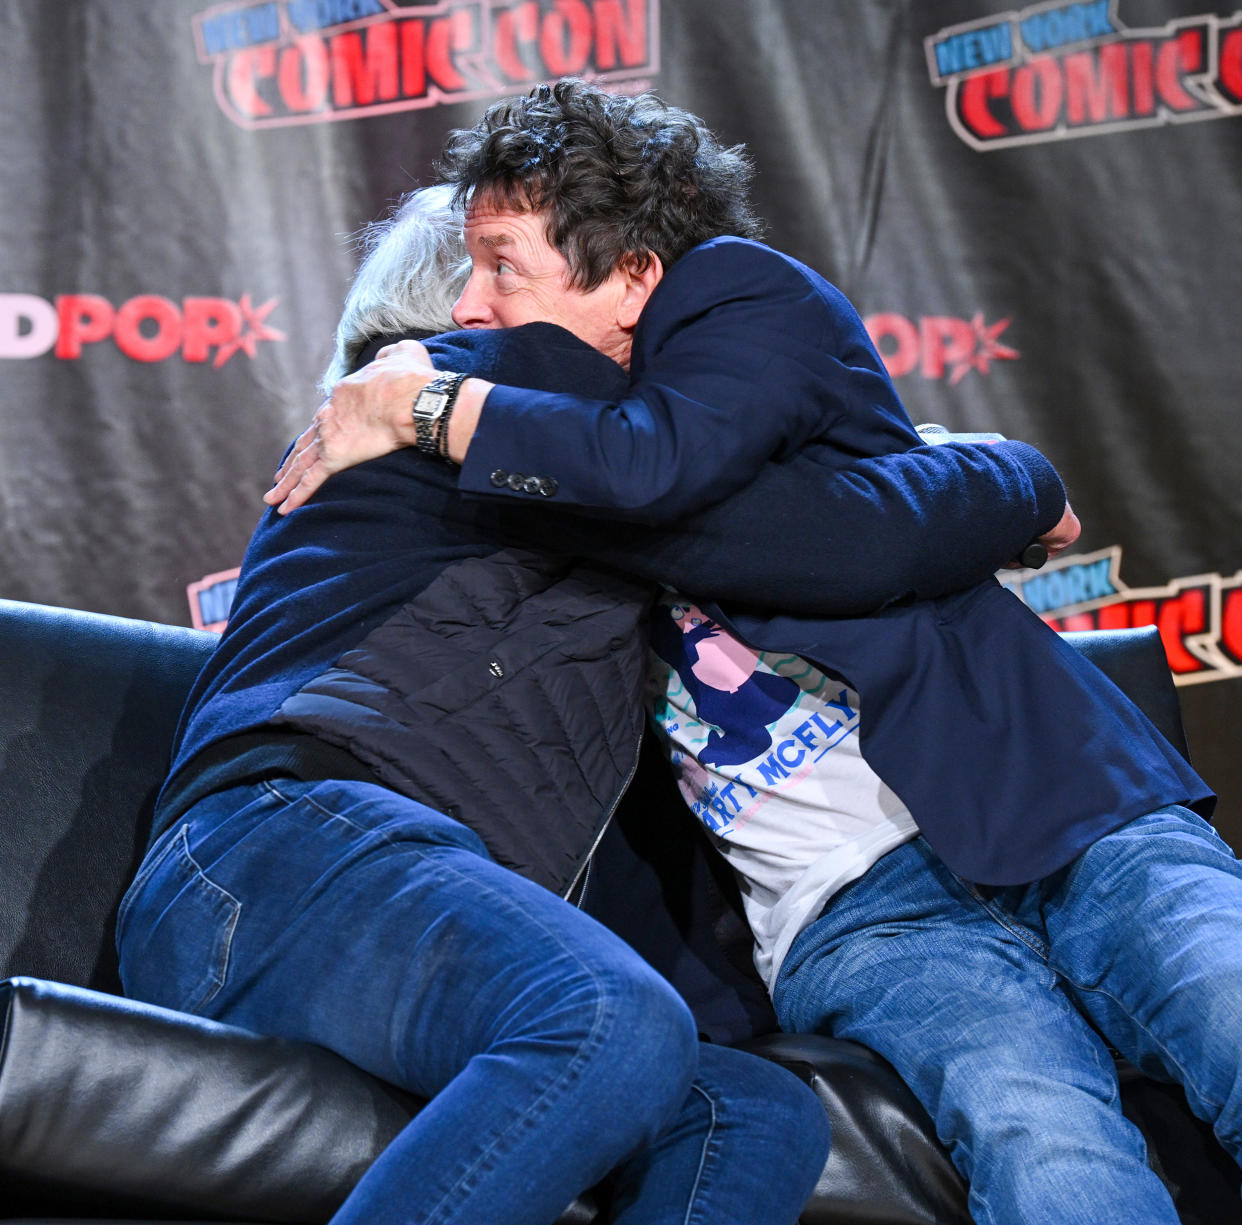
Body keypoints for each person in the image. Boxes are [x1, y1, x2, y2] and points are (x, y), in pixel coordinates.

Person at [269, 79, 1241, 1225]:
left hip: (1055, 796)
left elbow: (790, 525)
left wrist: (430, 405)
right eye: (460, 288)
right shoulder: (524, 483)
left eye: (503, 266)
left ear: (633, 271)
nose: (473, 317)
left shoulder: (728, 316)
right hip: (856, 910)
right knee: (1044, 1145)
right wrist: (999, 479)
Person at [116, 178, 1061, 1225]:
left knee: (751, 1114)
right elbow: (847, 535)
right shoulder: (490, 385)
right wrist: (1020, 480)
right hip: (279, 857)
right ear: (480, 306)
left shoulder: (532, 454)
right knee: (605, 1018)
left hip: (362, 900)